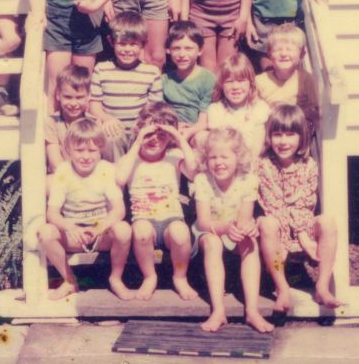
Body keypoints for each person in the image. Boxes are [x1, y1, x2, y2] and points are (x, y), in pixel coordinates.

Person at [257, 104, 343, 311]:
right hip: (278, 237)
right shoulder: (264, 165)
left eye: (290, 134)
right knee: (268, 223)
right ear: (269, 137)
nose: (283, 141)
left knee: (326, 222)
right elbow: (273, 206)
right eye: (277, 135)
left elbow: (305, 205)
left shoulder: (309, 166)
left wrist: (303, 235)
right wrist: (291, 239)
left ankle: (322, 286)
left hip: (302, 230)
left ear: (301, 137)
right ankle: (282, 287)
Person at [38, 118, 134, 300]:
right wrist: (70, 227)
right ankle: (69, 280)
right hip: (73, 234)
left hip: (100, 232)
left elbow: (119, 210)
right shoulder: (63, 171)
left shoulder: (106, 169)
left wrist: (101, 227)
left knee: (123, 229)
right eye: (80, 150)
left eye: (92, 150)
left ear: (101, 150)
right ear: (68, 150)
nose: (86, 156)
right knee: (45, 233)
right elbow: (52, 213)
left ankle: (116, 279)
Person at [193, 127, 274, 333]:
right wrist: (225, 228)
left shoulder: (248, 180)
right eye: (213, 157)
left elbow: (244, 218)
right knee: (213, 243)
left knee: (250, 242)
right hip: (209, 230)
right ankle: (218, 311)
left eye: (225, 156)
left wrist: (246, 228)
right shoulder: (202, 179)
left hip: (234, 229)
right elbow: (202, 221)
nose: (218, 162)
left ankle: (252, 311)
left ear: (238, 158)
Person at [115, 103, 199, 301]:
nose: (154, 140)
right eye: (149, 135)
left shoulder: (174, 157)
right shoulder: (132, 159)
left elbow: (194, 172)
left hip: (171, 219)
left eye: (162, 136)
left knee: (181, 233)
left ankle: (180, 277)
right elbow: (119, 178)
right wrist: (137, 142)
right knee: (142, 232)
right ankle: (149, 277)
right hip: (144, 219)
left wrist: (178, 138)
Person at [88, 11, 163, 160]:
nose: (127, 50)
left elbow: (155, 109)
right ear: (111, 42)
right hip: (113, 131)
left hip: (140, 129)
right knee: (111, 137)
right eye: (122, 44)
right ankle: (116, 179)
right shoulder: (101, 69)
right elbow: (94, 106)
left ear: (142, 44)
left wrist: (141, 124)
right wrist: (106, 118)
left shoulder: (151, 72)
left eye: (133, 44)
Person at [205, 52, 271, 164]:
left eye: (241, 81)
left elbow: (262, 144)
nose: (235, 87)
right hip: (227, 165)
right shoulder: (216, 110)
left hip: (255, 162)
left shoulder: (259, 107)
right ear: (221, 85)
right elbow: (219, 146)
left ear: (250, 83)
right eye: (229, 82)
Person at [256, 23, 320, 134]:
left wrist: (290, 112)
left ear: (302, 55)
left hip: (297, 134)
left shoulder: (305, 79)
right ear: (269, 54)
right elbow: (253, 111)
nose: (284, 54)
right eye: (278, 50)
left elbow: (315, 112)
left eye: (290, 49)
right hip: (270, 134)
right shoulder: (260, 81)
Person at [161, 22, 215, 148]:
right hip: (170, 129)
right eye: (176, 48)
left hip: (195, 130)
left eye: (188, 48)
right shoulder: (164, 80)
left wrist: (190, 131)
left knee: (203, 139)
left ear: (200, 50)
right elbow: (161, 113)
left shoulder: (208, 78)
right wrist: (174, 127)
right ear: (168, 50)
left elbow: (203, 121)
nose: (182, 54)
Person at [45, 65, 93, 173]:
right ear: (58, 95)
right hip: (63, 176)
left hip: (89, 177)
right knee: (48, 183)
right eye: (67, 97)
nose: (73, 103)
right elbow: (55, 163)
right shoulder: (52, 123)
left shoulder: (93, 123)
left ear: (88, 96)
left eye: (79, 97)